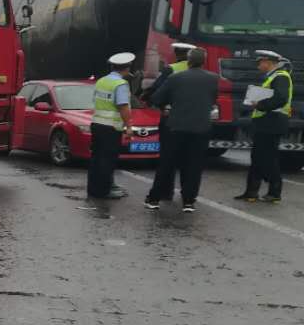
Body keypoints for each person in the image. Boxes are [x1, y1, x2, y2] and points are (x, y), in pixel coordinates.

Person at [146, 47, 216, 213]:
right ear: (204, 61)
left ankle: (154, 199)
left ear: (189, 61)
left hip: (176, 127)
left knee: (167, 163)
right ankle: (189, 201)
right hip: (201, 127)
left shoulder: (176, 78)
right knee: (194, 165)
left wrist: (170, 104)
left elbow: (156, 98)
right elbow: (212, 98)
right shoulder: (213, 79)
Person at [236, 50, 294, 204]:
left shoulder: (281, 76)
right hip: (266, 122)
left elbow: (280, 98)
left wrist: (260, 104)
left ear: (269, 62)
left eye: (260, 62)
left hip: (272, 122)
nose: (258, 65)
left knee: (268, 158)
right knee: (258, 157)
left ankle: (274, 192)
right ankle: (251, 192)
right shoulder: (273, 76)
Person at [145, 42, 195, 201]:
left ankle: (165, 192)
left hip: (171, 118)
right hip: (194, 120)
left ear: (176, 53)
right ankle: (188, 197)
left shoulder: (171, 69)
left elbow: (157, 91)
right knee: (189, 159)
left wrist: (158, 104)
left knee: (168, 158)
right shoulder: (202, 72)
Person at [86, 51, 137, 200]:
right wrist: (129, 126)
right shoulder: (120, 84)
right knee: (107, 160)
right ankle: (104, 191)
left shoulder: (101, 81)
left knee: (96, 159)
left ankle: (93, 189)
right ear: (127, 68)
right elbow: (123, 106)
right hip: (111, 128)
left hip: (97, 124)